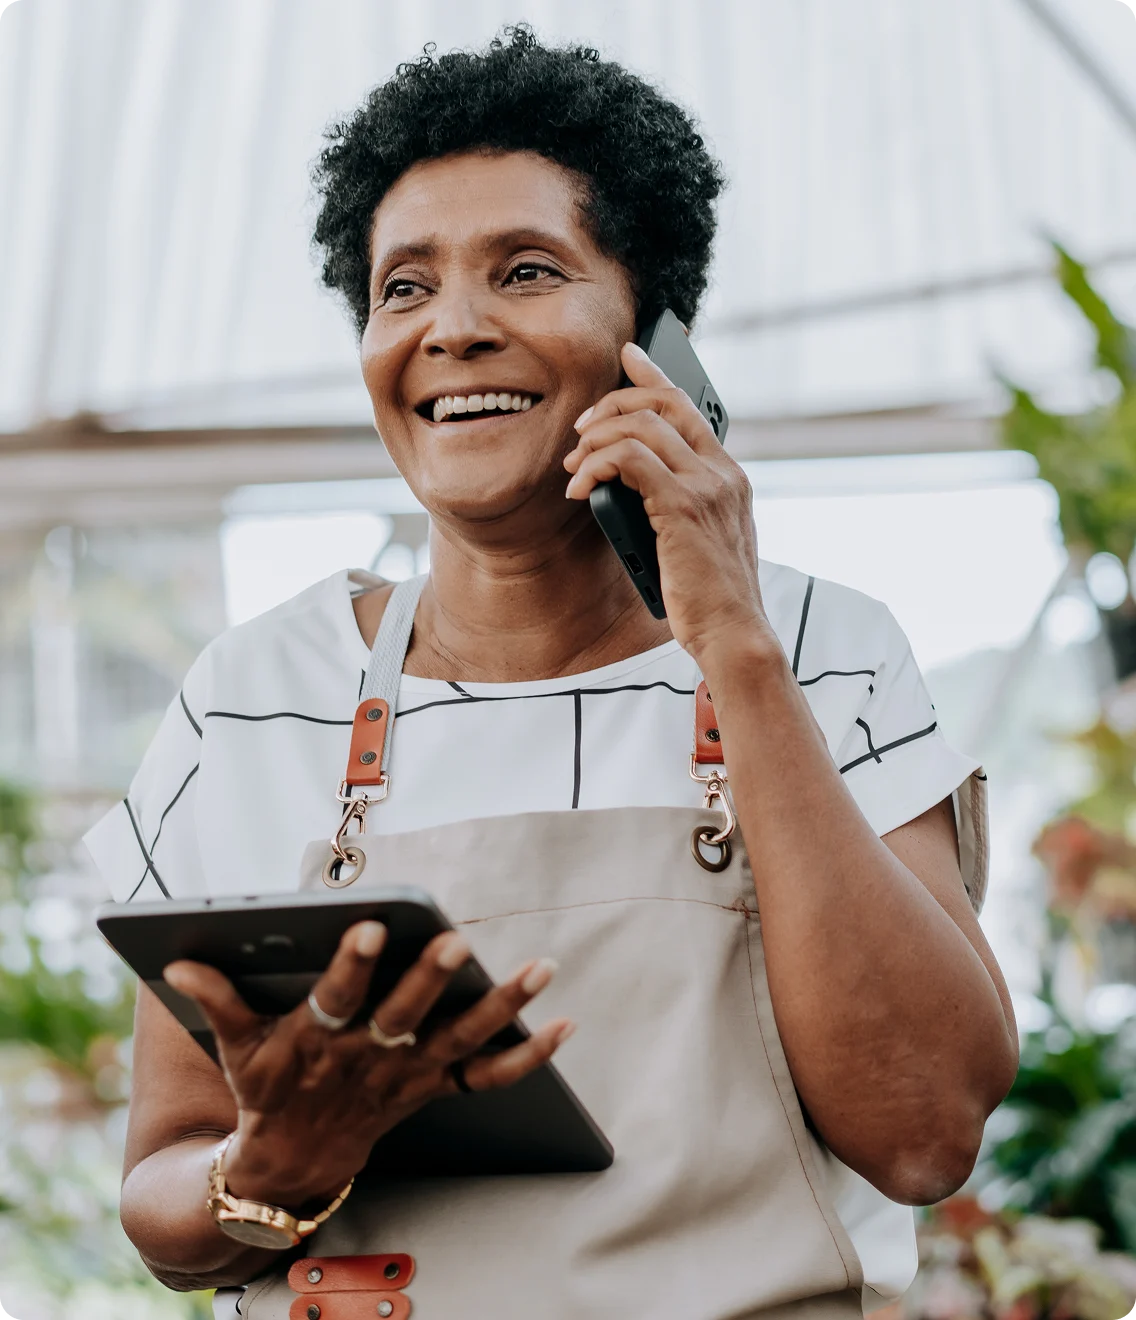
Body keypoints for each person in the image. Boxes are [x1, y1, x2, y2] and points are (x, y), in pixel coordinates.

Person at [85, 27, 1018, 1319]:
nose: (452, 329)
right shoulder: (251, 699)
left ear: (657, 336)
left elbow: (924, 1129)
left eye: (524, 272)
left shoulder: (826, 655)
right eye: (401, 288)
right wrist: (270, 1170)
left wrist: (736, 648)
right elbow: (162, 1194)